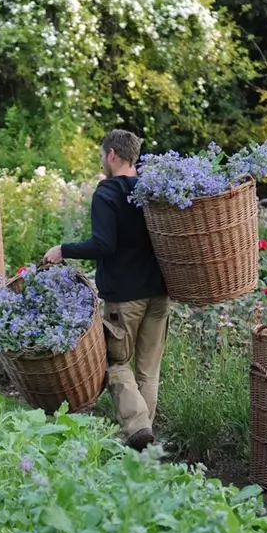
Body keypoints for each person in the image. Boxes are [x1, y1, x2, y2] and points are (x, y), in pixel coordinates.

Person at [44, 129, 169, 451]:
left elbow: (103, 243)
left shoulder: (107, 193)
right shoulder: (153, 190)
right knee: (148, 370)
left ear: (112, 154)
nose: (101, 162)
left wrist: (64, 249)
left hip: (124, 296)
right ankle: (142, 440)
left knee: (115, 364)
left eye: (102, 156)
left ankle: (138, 427)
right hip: (158, 292)